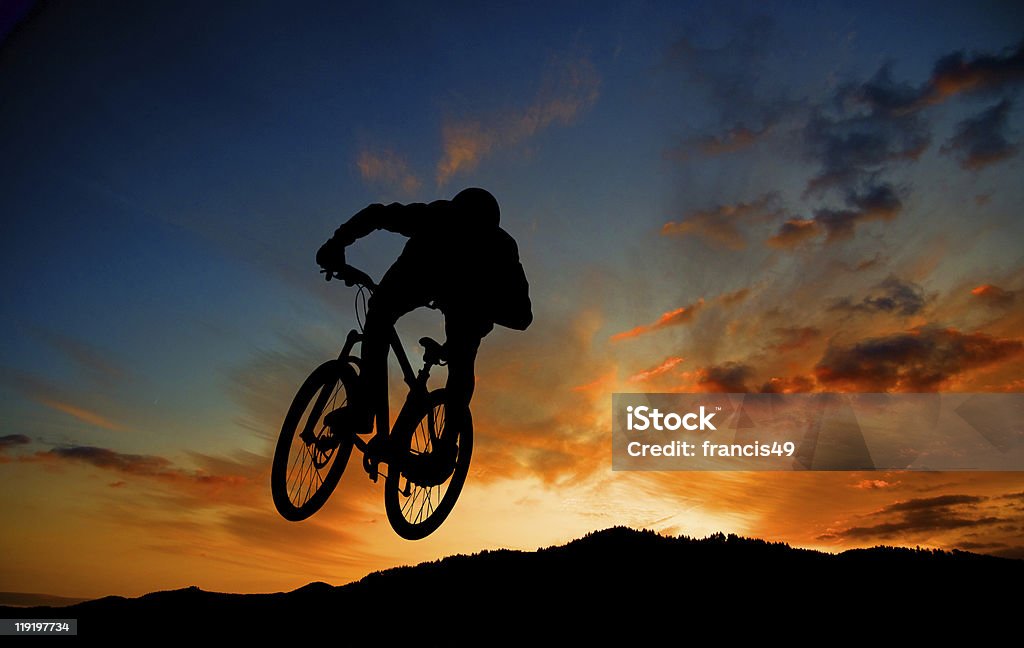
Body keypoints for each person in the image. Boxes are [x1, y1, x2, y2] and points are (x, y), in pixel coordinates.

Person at [315, 187, 532, 464]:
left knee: (454, 355)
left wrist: (337, 243)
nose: (462, 237)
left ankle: (443, 446)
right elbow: (378, 215)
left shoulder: (494, 245)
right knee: (384, 316)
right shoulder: (442, 219)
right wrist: (337, 243)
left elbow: (522, 315)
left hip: (461, 298)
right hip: (425, 279)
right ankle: (370, 412)